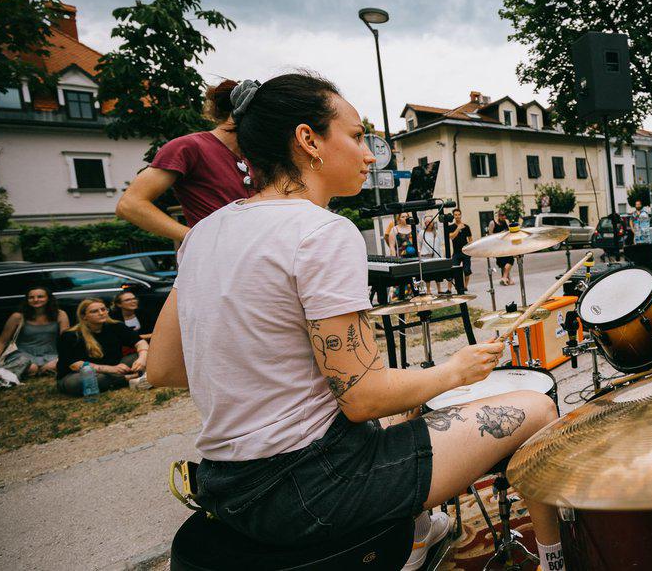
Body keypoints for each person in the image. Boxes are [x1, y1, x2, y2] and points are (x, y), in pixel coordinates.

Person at [145, 74, 566, 570]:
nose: (370, 154)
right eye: (355, 135)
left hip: (226, 486)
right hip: (312, 488)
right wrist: (457, 369)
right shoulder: (321, 231)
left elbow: (164, 368)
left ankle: (414, 542)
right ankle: (556, 561)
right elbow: (364, 396)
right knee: (536, 408)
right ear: (308, 141)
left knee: (409, 411)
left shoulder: (202, 233)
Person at [116, 80, 254, 241]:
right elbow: (129, 205)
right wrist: (194, 239)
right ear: (238, 112)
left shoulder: (254, 156)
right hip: (215, 259)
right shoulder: (188, 147)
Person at [57, 298, 147, 396]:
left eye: (103, 309)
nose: (101, 313)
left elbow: (140, 342)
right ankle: (130, 378)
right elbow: (76, 365)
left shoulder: (116, 326)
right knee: (76, 383)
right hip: (78, 374)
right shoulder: (70, 335)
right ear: (84, 316)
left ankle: (131, 377)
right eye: (94, 311)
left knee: (147, 356)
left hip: (116, 367)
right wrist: (111, 369)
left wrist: (142, 359)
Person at [0, 286, 68, 377]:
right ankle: (35, 371)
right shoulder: (18, 317)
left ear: (48, 298)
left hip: (51, 354)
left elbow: (66, 340)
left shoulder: (60, 314)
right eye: (31, 297)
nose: (36, 300)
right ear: (27, 300)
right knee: (31, 368)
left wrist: (63, 358)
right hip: (23, 355)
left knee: (52, 366)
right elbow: (2, 341)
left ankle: (43, 370)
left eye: (40, 296)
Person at [486, 209, 514, 285]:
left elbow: (510, 231)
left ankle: (504, 278)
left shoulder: (506, 221)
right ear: (498, 215)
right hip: (498, 246)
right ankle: (507, 279)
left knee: (510, 261)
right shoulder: (492, 223)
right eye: (502, 215)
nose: (504, 217)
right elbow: (490, 235)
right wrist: (499, 234)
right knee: (502, 264)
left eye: (504, 215)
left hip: (506, 245)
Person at [448, 208, 473, 288]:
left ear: (461, 215)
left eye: (459, 214)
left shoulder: (466, 227)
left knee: (467, 270)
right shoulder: (451, 227)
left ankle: (465, 286)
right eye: (455, 215)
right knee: (453, 269)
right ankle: (449, 289)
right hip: (456, 252)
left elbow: (470, 239)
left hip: (465, 251)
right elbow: (451, 237)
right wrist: (458, 229)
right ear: (453, 216)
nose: (457, 216)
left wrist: (470, 250)